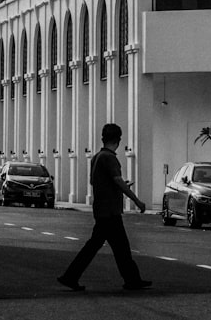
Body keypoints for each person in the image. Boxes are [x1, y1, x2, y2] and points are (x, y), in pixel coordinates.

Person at [57, 123, 152, 292]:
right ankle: (131, 280)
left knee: (112, 247)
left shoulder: (96, 157)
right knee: (117, 247)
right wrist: (136, 200)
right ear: (118, 140)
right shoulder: (109, 158)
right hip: (110, 212)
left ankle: (131, 279)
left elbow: (95, 182)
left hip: (101, 209)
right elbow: (117, 180)